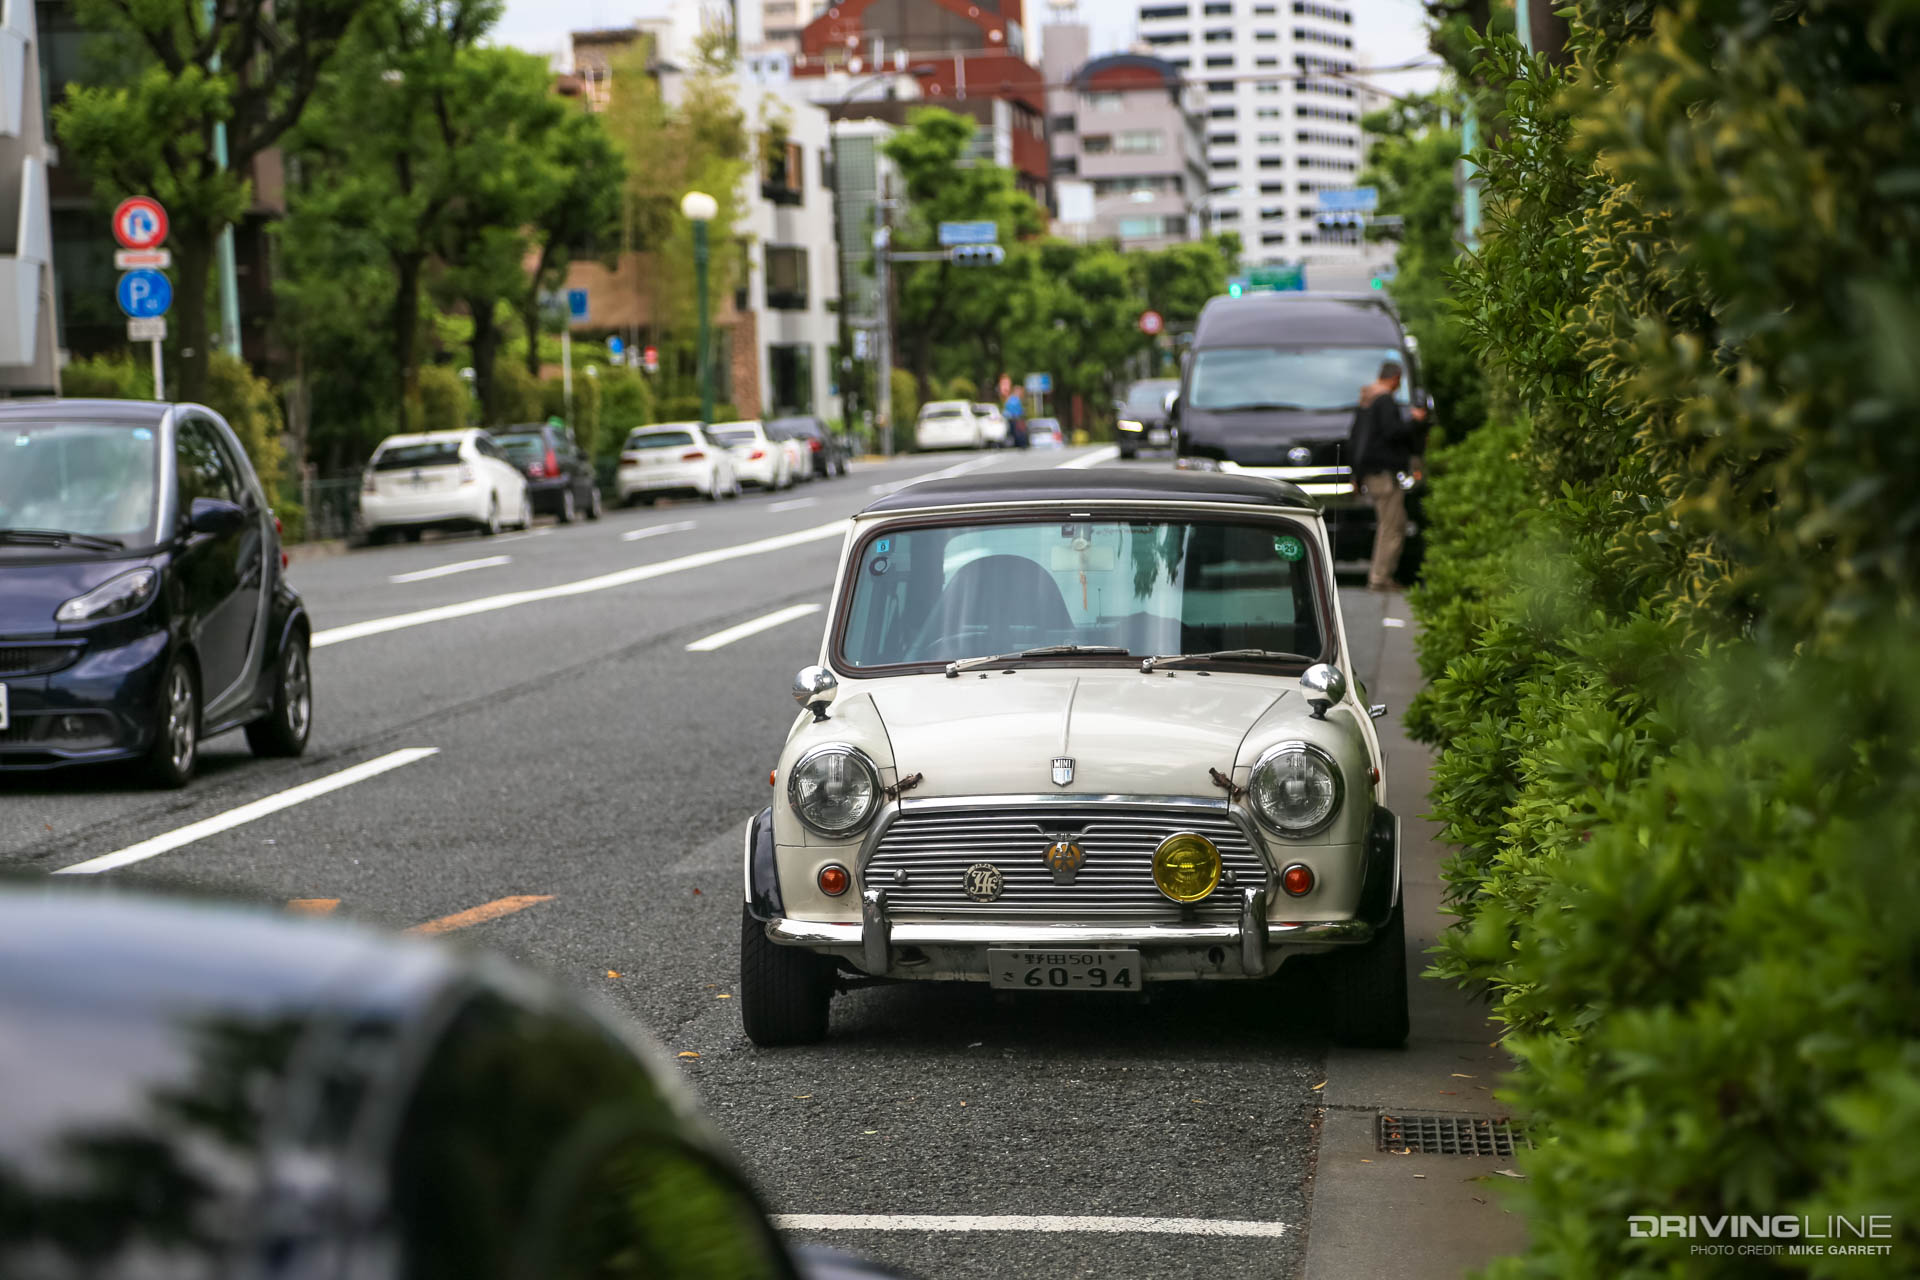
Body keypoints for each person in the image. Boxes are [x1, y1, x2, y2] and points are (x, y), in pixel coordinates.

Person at [1347, 361, 1426, 592]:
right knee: (1391, 526)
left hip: (1370, 472)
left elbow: (1356, 439)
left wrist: (1356, 473)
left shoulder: (1366, 401)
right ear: (1395, 378)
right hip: (1383, 473)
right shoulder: (1385, 401)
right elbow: (1393, 432)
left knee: (1391, 523)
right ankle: (1380, 577)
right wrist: (1415, 421)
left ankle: (1381, 575)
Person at [1002, 382, 1029, 449]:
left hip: (1013, 419)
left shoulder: (1011, 399)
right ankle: (1020, 444)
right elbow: (1017, 411)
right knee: (1018, 432)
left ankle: (1017, 443)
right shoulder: (1014, 400)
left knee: (1015, 432)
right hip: (1015, 419)